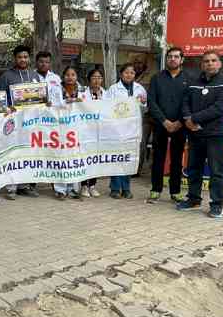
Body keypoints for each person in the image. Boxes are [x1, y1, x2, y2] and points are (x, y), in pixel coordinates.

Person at [177, 51, 223, 219]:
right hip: (195, 134)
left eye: (213, 60)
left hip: (215, 134)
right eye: (206, 61)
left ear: (219, 63)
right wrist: (187, 118)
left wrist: (193, 119)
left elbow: (219, 108)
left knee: (216, 171)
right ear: (202, 64)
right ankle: (193, 199)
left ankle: (217, 205)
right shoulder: (193, 82)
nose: (210, 63)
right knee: (194, 168)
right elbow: (185, 102)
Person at [0, 45, 41, 200]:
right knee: (13, 152)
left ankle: (25, 186)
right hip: (13, 122)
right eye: (20, 57)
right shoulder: (6, 76)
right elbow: (0, 98)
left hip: (31, 123)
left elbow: (42, 97)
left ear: (29, 58)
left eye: (25, 57)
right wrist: (7, 108)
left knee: (28, 153)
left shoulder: (35, 75)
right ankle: (11, 187)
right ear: (14, 58)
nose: (23, 59)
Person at [147, 47, 189, 204]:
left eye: (176, 56)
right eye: (170, 56)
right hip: (160, 124)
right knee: (158, 157)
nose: (172, 59)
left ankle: (175, 191)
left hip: (180, 125)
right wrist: (164, 121)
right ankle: (155, 190)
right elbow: (151, 102)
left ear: (181, 60)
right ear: (166, 59)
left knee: (177, 159)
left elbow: (190, 103)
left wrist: (179, 122)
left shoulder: (189, 79)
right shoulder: (157, 78)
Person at [107, 62, 148, 199]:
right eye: (126, 72)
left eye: (132, 73)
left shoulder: (139, 88)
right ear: (121, 74)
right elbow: (107, 107)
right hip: (117, 129)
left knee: (128, 159)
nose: (129, 75)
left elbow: (145, 105)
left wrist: (143, 100)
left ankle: (126, 188)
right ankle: (115, 188)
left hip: (133, 129)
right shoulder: (113, 89)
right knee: (117, 158)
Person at [53, 65, 84, 200]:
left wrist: (79, 101)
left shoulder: (82, 90)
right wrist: (68, 101)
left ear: (76, 77)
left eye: (73, 75)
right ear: (63, 77)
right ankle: (60, 189)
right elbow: (54, 105)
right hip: (60, 128)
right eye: (67, 75)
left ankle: (72, 189)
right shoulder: (56, 89)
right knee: (60, 158)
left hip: (76, 129)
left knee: (75, 158)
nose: (70, 77)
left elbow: (87, 106)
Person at [80, 67, 107, 198]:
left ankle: (93, 185)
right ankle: (84, 185)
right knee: (85, 158)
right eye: (94, 77)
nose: (97, 80)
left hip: (100, 132)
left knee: (96, 159)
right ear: (89, 79)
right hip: (85, 131)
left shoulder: (106, 94)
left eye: (99, 78)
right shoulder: (82, 94)